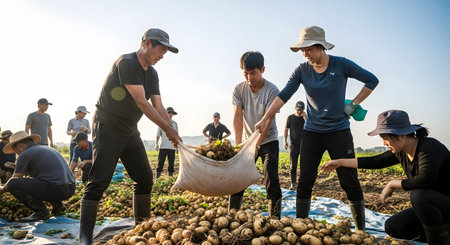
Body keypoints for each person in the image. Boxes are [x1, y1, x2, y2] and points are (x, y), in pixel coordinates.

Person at [255, 26, 379, 230]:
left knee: (349, 181)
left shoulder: (341, 65)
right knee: (305, 181)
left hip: (339, 132)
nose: (305, 54)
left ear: (320, 46)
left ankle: (360, 231)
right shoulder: (302, 70)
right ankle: (302, 227)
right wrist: (265, 117)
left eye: (308, 49)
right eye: (302, 50)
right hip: (312, 133)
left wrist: (354, 103)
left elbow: (372, 80)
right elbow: (284, 95)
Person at [79, 28, 182, 245]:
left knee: (145, 179)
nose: (162, 56)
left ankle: (141, 229)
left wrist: (172, 129)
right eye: (161, 50)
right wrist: (167, 129)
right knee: (99, 180)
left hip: (129, 129)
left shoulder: (152, 74)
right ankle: (85, 237)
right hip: (108, 125)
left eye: (165, 52)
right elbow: (142, 103)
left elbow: (158, 105)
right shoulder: (126, 63)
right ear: (147, 44)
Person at [321, 110, 450, 245]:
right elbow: (374, 161)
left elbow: (425, 180)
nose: (383, 143)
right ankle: (443, 236)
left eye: (385, 137)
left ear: (400, 135)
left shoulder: (428, 147)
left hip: (444, 204)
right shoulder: (402, 152)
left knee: (419, 196)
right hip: (435, 211)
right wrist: (340, 162)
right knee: (393, 227)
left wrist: (392, 183)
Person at [231, 51, 282, 219]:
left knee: (271, 177)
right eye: (245, 73)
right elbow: (238, 117)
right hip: (247, 142)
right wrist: (239, 145)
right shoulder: (239, 89)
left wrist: (258, 144)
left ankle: (275, 219)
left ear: (263, 70)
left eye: (253, 73)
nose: (249, 77)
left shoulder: (272, 91)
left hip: (268, 140)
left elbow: (267, 121)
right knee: (238, 179)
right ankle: (232, 215)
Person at [0, 131, 75, 222]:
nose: (17, 154)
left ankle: (41, 211)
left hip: (57, 190)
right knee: (42, 179)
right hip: (70, 189)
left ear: (19, 146)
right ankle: (58, 205)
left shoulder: (25, 153)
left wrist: (1, 191)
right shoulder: (45, 148)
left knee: (12, 183)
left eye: (16, 151)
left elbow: (15, 179)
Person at [284, 101, 306, 190]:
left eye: (301, 110)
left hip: (304, 145)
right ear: (295, 108)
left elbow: (310, 126)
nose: (299, 111)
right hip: (293, 145)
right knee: (293, 166)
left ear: (303, 110)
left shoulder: (305, 119)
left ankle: (302, 185)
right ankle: (293, 184)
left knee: (304, 166)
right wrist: (285, 141)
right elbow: (286, 129)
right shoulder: (290, 118)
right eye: (298, 109)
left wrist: (306, 117)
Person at [155, 107, 179, 178]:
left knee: (171, 164)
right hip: (163, 147)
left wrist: (177, 146)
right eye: (169, 113)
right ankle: (157, 178)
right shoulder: (161, 122)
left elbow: (176, 135)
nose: (170, 114)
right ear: (166, 113)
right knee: (160, 163)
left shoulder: (175, 124)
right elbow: (158, 134)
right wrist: (156, 144)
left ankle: (170, 178)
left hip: (172, 148)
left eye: (172, 113)